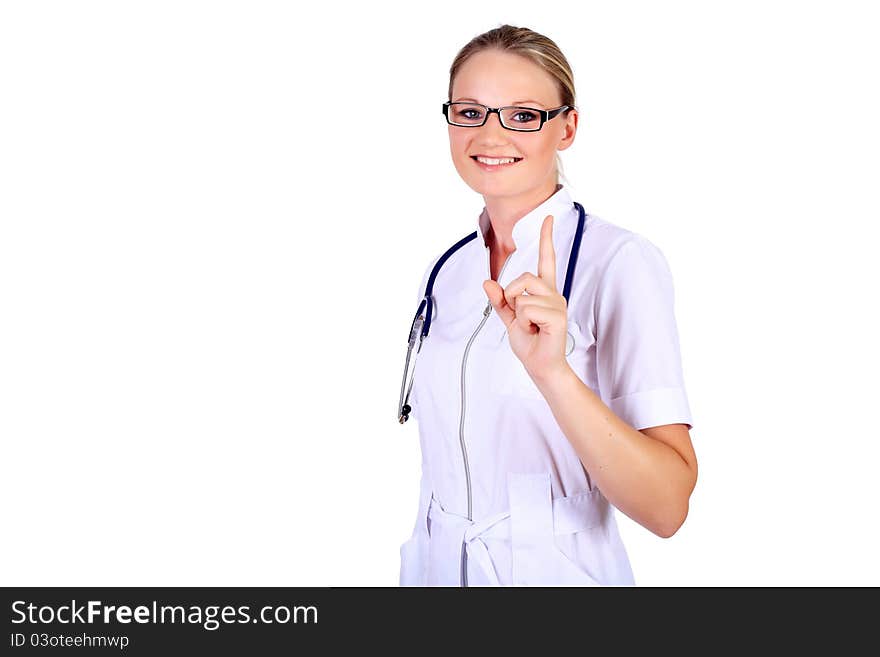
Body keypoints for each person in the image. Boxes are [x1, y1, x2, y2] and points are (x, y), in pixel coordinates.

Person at [398, 24, 697, 586]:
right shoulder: (447, 274)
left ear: (568, 128)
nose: (490, 134)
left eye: (523, 114)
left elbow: (668, 508)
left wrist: (553, 374)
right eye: (469, 112)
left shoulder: (619, 264)